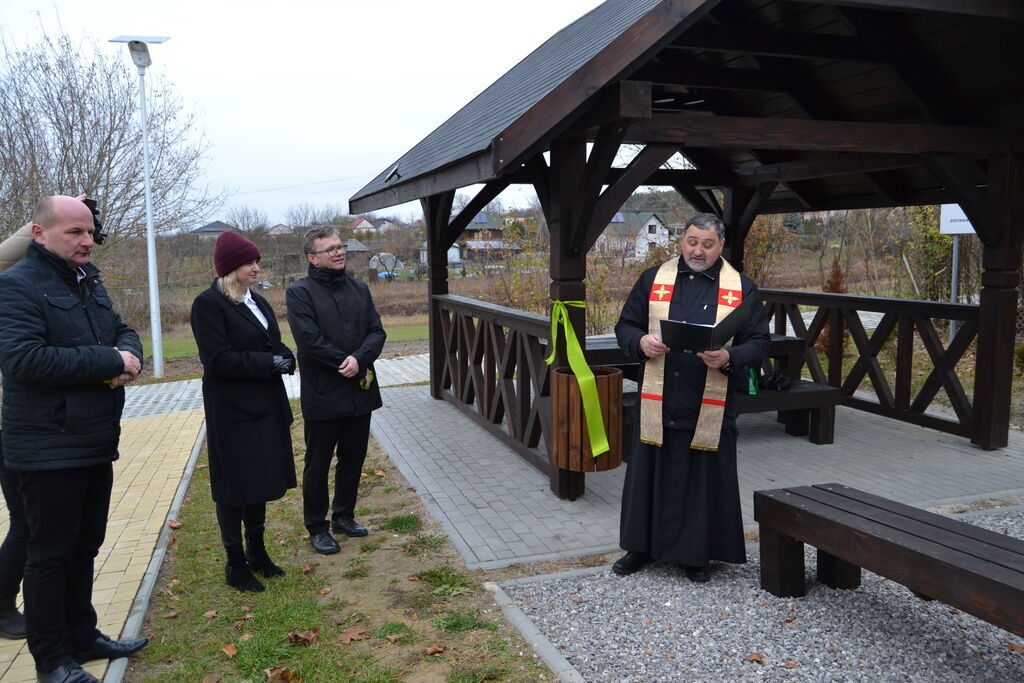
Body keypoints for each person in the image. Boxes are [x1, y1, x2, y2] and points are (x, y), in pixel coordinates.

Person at [0, 195, 148, 682]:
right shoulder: (16, 286)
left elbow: (121, 330)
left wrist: (128, 354)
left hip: (91, 439)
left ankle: (84, 637)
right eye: (74, 233)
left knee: (85, 546)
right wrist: (109, 362)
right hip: (46, 448)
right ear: (40, 233)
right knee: (49, 555)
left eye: (89, 232)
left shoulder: (89, 280)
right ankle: (53, 660)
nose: (87, 241)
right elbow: (23, 360)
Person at [612, 213, 769, 582]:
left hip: (707, 401)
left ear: (721, 246)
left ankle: (697, 555)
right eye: (692, 242)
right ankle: (639, 548)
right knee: (648, 475)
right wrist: (640, 342)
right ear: (682, 241)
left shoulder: (742, 288)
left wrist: (730, 357)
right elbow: (625, 325)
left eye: (707, 244)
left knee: (702, 481)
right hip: (659, 397)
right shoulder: (653, 279)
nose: (698, 251)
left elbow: (760, 343)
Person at [190, 231, 297, 593]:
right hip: (232, 410)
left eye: (257, 261)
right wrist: (270, 362)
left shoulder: (258, 302)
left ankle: (258, 552)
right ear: (230, 267)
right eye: (249, 262)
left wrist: (287, 356)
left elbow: (272, 342)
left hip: (264, 405)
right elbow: (217, 360)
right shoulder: (209, 304)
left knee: (260, 480)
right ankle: (235, 562)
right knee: (234, 485)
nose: (256, 267)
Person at [286, 227, 385, 555]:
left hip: (359, 389)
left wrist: (359, 359)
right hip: (324, 391)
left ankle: (344, 515)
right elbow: (309, 340)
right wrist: (344, 361)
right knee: (318, 463)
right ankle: (317, 526)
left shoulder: (359, 288)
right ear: (313, 257)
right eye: (330, 249)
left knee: (353, 457)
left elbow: (376, 332)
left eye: (340, 246)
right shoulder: (300, 293)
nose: (338, 252)